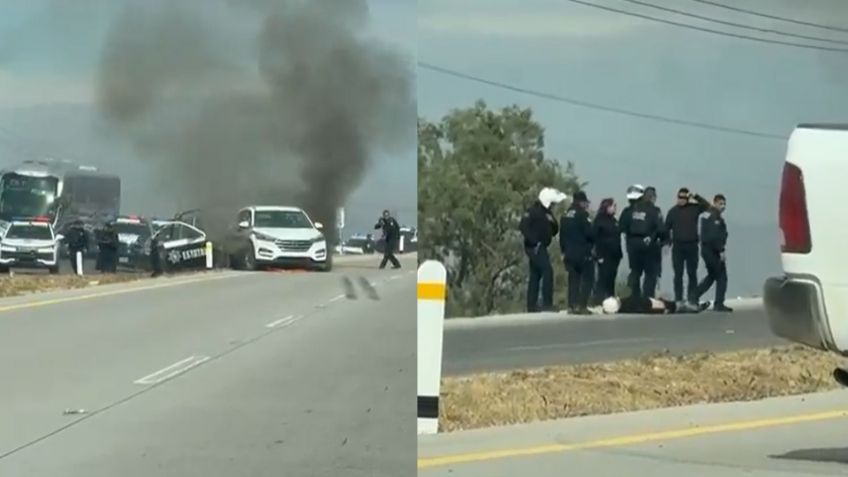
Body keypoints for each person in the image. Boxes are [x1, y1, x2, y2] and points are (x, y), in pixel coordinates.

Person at [520, 187, 567, 312]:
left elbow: (555, 229)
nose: (553, 206)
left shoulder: (547, 213)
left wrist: (552, 223)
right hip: (534, 246)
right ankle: (547, 303)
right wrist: (534, 242)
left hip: (542, 246)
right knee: (547, 271)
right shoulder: (532, 211)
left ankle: (531, 305)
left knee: (535, 274)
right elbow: (523, 227)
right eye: (552, 203)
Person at [664, 187, 711, 305]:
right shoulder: (673, 212)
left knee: (692, 274)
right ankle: (678, 299)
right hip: (678, 247)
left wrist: (695, 196)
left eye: (684, 198)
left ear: (688, 198)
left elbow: (707, 206)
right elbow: (665, 228)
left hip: (692, 246)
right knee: (678, 274)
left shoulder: (694, 209)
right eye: (680, 197)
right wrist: (667, 240)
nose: (682, 200)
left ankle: (692, 299)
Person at [619, 184, 662, 300]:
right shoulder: (654, 210)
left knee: (635, 271)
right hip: (648, 244)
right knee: (650, 273)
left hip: (632, 244)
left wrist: (629, 239)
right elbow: (660, 228)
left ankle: (635, 297)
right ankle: (647, 298)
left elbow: (622, 227)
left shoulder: (629, 210)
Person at [695, 194, 732, 312]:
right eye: (721, 204)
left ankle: (693, 296)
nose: (723, 206)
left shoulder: (707, 214)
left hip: (706, 250)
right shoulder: (715, 217)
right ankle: (719, 303)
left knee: (711, 276)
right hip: (713, 252)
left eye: (724, 204)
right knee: (721, 277)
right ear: (715, 203)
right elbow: (714, 236)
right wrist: (721, 250)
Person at [559, 190, 594, 314]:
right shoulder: (582, 215)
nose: (586, 205)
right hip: (582, 252)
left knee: (573, 279)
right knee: (588, 278)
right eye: (585, 203)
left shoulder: (565, 214)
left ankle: (572, 305)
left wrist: (562, 251)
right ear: (581, 202)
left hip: (568, 252)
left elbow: (561, 235)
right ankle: (582, 305)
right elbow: (590, 233)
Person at [591, 198, 622, 305]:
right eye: (613, 206)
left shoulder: (614, 221)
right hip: (603, 254)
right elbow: (594, 238)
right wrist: (598, 255)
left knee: (611, 279)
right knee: (603, 278)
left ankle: (610, 300)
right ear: (607, 207)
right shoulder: (599, 220)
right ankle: (599, 301)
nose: (615, 208)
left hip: (614, 255)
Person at [643, 186, 665, 297]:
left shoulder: (637, 210)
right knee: (652, 274)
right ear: (652, 198)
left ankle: (640, 297)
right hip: (653, 245)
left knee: (637, 273)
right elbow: (661, 228)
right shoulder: (656, 211)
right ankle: (649, 297)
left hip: (638, 246)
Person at [601, 294, 710, 315]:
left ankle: (694, 307)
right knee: (675, 306)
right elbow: (645, 308)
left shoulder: (625, 306)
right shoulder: (628, 304)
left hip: (652, 303)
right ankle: (695, 308)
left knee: (675, 305)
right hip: (653, 304)